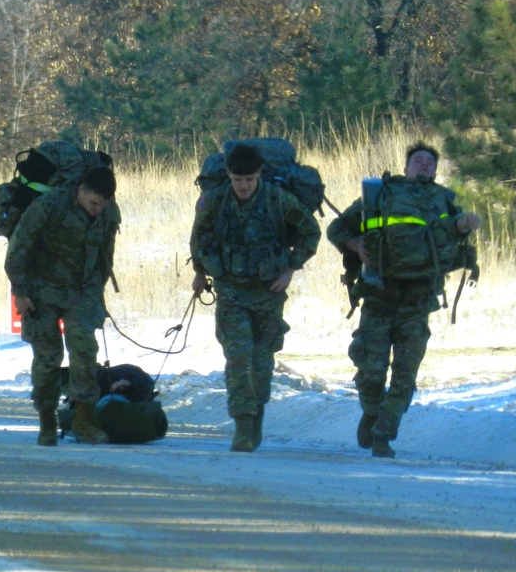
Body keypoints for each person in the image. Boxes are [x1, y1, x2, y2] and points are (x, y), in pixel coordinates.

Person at [327, 142, 480, 458]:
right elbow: (337, 228)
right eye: (418, 160)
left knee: (406, 371)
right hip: (379, 294)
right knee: (371, 368)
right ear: (406, 167)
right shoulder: (381, 194)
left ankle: (384, 432)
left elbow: (452, 235)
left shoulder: (445, 200)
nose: (424, 165)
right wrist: (354, 244)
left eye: (429, 162)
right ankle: (371, 410)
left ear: (435, 171)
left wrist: (464, 226)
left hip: (418, 298)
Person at [190, 143, 321, 452]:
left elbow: (310, 233)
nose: (244, 186)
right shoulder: (216, 200)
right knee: (237, 357)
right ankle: (243, 426)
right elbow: (200, 235)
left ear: (259, 174)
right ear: (229, 176)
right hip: (231, 292)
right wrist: (200, 272)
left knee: (261, 362)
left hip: (267, 293)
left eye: (249, 179)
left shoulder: (278, 199)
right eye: (238, 180)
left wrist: (290, 268)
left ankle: (256, 414)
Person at [6, 164, 121, 446]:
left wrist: (97, 293)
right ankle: (47, 419)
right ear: (81, 191)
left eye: (101, 205)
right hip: (41, 291)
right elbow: (18, 249)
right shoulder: (49, 206)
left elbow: (105, 256)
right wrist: (20, 293)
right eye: (93, 203)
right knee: (48, 356)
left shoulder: (108, 212)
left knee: (84, 350)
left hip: (82, 291)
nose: (96, 209)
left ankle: (85, 419)